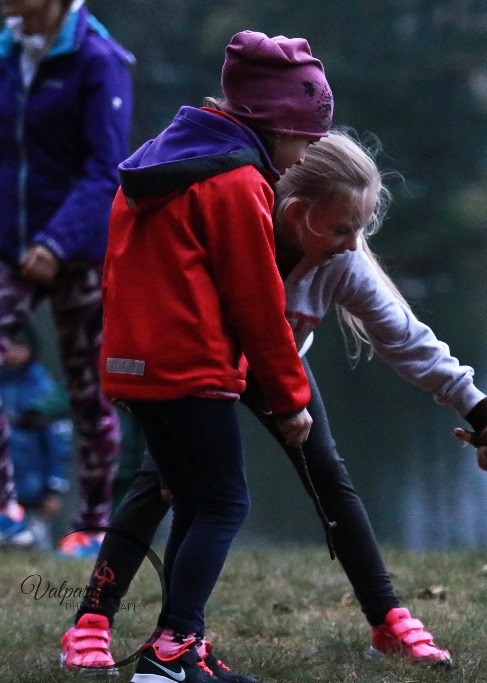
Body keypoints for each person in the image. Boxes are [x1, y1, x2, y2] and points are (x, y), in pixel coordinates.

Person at [60, 130, 487, 677]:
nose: (353, 243)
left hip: (278, 365)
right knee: (161, 482)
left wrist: (483, 416)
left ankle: (388, 619)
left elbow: (407, 340)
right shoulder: (233, 222)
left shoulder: (341, 263)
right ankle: (92, 624)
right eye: (344, 228)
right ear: (299, 212)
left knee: (327, 473)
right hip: (205, 365)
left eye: (360, 229)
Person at [89, 29, 330, 683]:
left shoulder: (155, 163)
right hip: (190, 368)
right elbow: (258, 302)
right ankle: (172, 652)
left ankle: (177, 649)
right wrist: (290, 397)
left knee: (193, 497)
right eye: (306, 136)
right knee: (226, 502)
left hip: (133, 364)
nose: (308, 153)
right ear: (273, 121)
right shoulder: (236, 182)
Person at [0, 0, 132, 558]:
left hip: (77, 251)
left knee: (88, 391)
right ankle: (8, 515)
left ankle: (93, 528)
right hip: (9, 245)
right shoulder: (6, 52)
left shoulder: (99, 60)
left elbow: (106, 169)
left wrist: (55, 242)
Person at [0, 322, 72, 549]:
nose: (14, 352)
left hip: (33, 490)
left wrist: (54, 488)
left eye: (21, 346)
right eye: (10, 344)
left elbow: (59, 444)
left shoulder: (43, 390)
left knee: (35, 545)